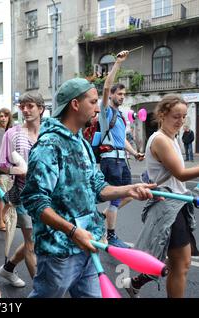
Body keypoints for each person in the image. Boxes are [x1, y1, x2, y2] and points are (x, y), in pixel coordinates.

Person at [20, 78, 156, 298]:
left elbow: (97, 187)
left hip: (88, 244)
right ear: (75, 104)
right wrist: (72, 232)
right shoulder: (49, 145)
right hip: (59, 252)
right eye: (93, 102)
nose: (97, 107)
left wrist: (129, 189)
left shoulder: (81, 141)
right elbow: (35, 201)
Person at [122, 95, 199, 298]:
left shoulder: (171, 138)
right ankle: (135, 282)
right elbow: (181, 174)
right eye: (176, 116)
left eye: (183, 116)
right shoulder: (160, 140)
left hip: (176, 202)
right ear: (162, 115)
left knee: (178, 262)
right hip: (169, 205)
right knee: (181, 265)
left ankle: (135, 282)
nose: (181, 121)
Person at [98, 50, 145, 248]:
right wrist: (118, 63)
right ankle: (110, 235)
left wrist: (134, 153)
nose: (122, 97)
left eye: (124, 94)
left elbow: (121, 139)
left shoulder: (121, 115)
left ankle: (103, 214)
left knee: (129, 193)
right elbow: (107, 86)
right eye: (120, 94)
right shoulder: (106, 111)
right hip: (111, 160)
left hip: (122, 159)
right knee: (116, 196)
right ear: (112, 96)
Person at [0, 93, 43, 288]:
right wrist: (18, 170)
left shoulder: (48, 131)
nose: (25, 110)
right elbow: (1, 164)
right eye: (22, 106)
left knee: (39, 238)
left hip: (48, 195)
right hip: (24, 194)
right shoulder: (12, 133)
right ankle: (41, 291)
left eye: (30, 106)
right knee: (31, 243)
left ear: (40, 108)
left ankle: (8, 268)